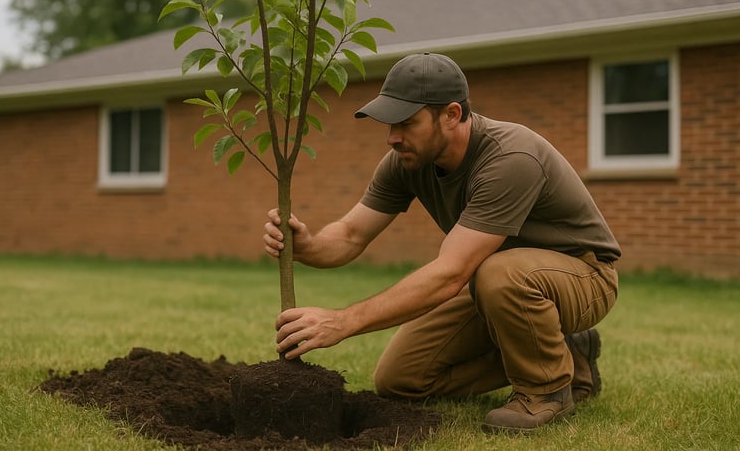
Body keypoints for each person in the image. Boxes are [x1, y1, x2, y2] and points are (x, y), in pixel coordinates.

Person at [264, 52, 620, 433]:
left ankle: (545, 390)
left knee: (498, 272)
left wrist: (343, 321)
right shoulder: (406, 160)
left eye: (406, 123)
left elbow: (451, 274)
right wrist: (308, 245)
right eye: (389, 124)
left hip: (584, 275)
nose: (392, 137)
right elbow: (351, 234)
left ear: (451, 115)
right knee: (401, 379)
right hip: (495, 282)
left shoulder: (510, 157)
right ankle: (565, 352)